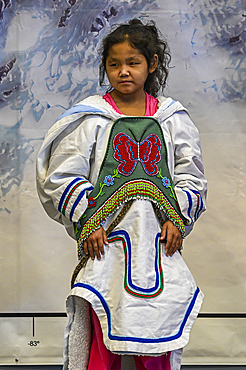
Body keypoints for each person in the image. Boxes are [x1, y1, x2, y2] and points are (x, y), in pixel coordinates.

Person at [36, 18, 207, 370]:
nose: (123, 72)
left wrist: (178, 218)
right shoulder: (91, 119)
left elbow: (192, 175)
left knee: (156, 328)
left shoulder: (173, 119)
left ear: (152, 64)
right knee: (104, 323)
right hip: (107, 243)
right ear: (106, 67)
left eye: (133, 63)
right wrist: (88, 221)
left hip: (159, 245)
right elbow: (63, 174)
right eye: (114, 64)